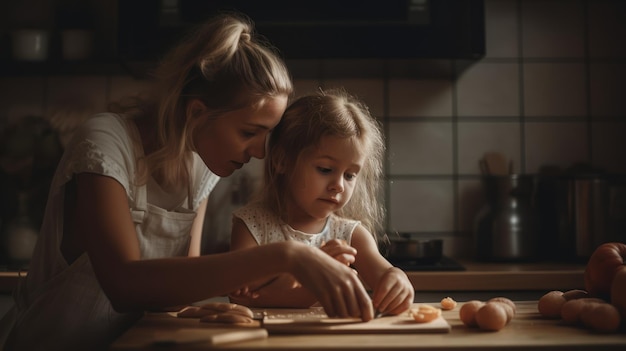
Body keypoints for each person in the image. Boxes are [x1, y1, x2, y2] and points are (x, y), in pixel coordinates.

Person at [0, 14, 375, 351]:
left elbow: (172, 296)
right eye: (249, 132)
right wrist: (288, 256)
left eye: (267, 135)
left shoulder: (203, 166)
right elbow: (124, 284)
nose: (261, 152)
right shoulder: (105, 142)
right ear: (197, 113)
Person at [229, 88, 414, 316]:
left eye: (350, 175)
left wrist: (398, 279)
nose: (339, 185)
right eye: (325, 169)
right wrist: (314, 274)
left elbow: (385, 273)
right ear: (281, 161)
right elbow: (243, 296)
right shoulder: (251, 225)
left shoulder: (350, 235)